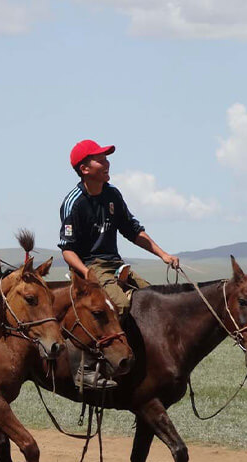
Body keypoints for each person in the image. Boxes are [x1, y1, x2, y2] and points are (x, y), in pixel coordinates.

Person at [58, 139, 179, 388]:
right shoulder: (73, 203)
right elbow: (67, 251)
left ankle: (139, 361)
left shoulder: (112, 194)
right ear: (85, 169)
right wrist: (86, 273)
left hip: (114, 264)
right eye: (100, 159)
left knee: (150, 299)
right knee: (120, 305)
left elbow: (132, 230)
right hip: (89, 266)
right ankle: (88, 367)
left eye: (106, 158)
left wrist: (163, 255)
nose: (106, 163)